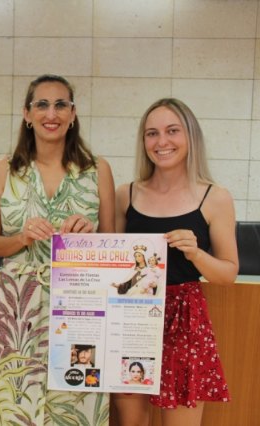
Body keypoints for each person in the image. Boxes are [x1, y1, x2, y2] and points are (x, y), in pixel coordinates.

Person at [0, 74, 115, 425]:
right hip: (18, 308)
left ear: (73, 113)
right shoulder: (4, 170)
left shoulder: (97, 170)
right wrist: (22, 238)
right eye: (41, 104)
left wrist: (89, 237)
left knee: (75, 406)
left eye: (60, 105)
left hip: (80, 304)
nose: (51, 114)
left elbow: (115, 248)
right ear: (27, 114)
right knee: (15, 407)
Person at [111, 98, 238, 426]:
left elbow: (228, 273)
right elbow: (109, 260)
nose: (161, 141)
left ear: (191, 136)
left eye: (172, 131)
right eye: (152, 133)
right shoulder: (126, 194)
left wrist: (196, 254)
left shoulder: (215, 197)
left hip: (185, 319)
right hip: (132, 316)